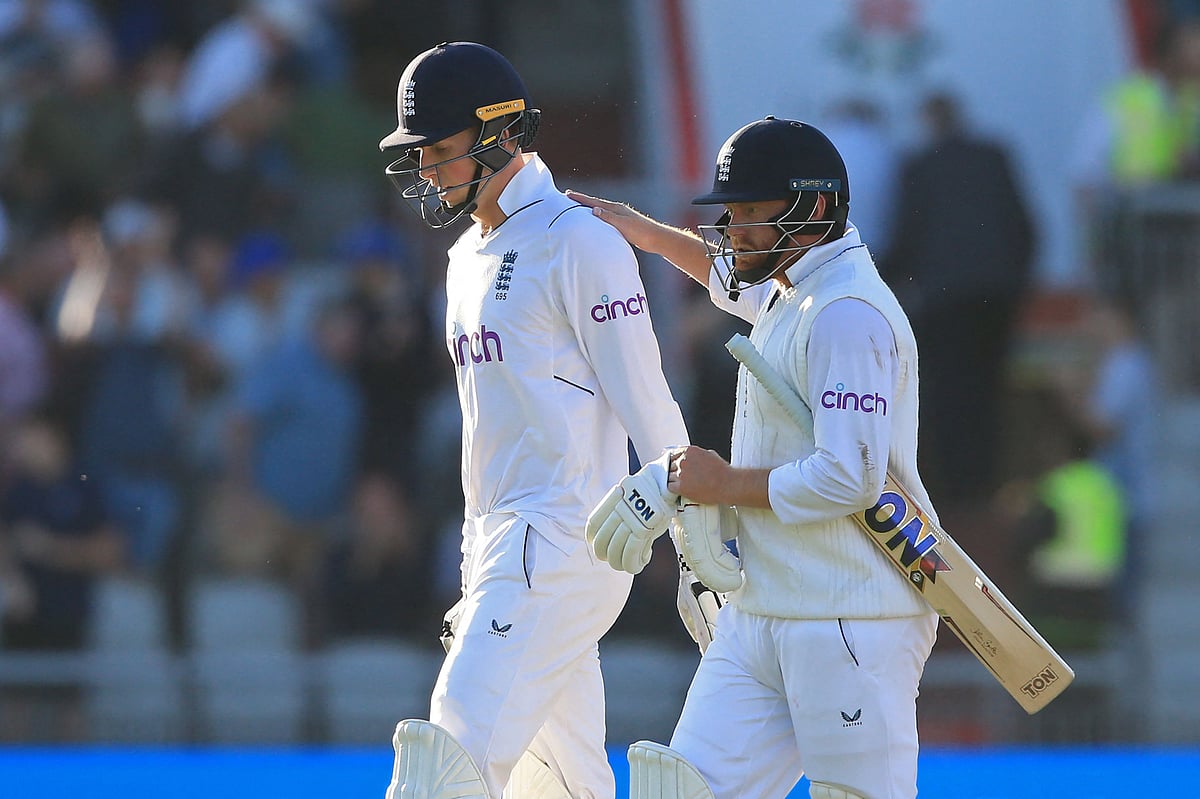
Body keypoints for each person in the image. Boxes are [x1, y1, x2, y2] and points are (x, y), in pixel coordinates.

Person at [570, 116, 940, 799]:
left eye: (747, 214)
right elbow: (723, 277)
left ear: (814, 208)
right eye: (728, 213)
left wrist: (721, 484)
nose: (731, 230)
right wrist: (640, 230)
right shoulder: (791, 287)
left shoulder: (848, 314)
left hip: (849, 616)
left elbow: (850, 477)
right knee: (679, 790)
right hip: (763, 610)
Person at [375, 42, 689, 799]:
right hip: (499, 542)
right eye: (418, 153)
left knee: (444, 761)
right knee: (563, 786)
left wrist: (697, 541)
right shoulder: (463, 257)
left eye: (441, 151)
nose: (427, 171)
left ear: (499, 134)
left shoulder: (578, 239)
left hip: (559, 540)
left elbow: (646, 395)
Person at [882, 91, 1035, 510]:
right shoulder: (994, 157)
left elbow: (905, 239)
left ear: (929, 121)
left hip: (945, 299)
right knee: (987, 389)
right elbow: (1026, 226)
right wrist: (1015, 285)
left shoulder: (919, 166)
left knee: (948, 394)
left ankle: (956, 494)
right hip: (995, 295)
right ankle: (986, 484)